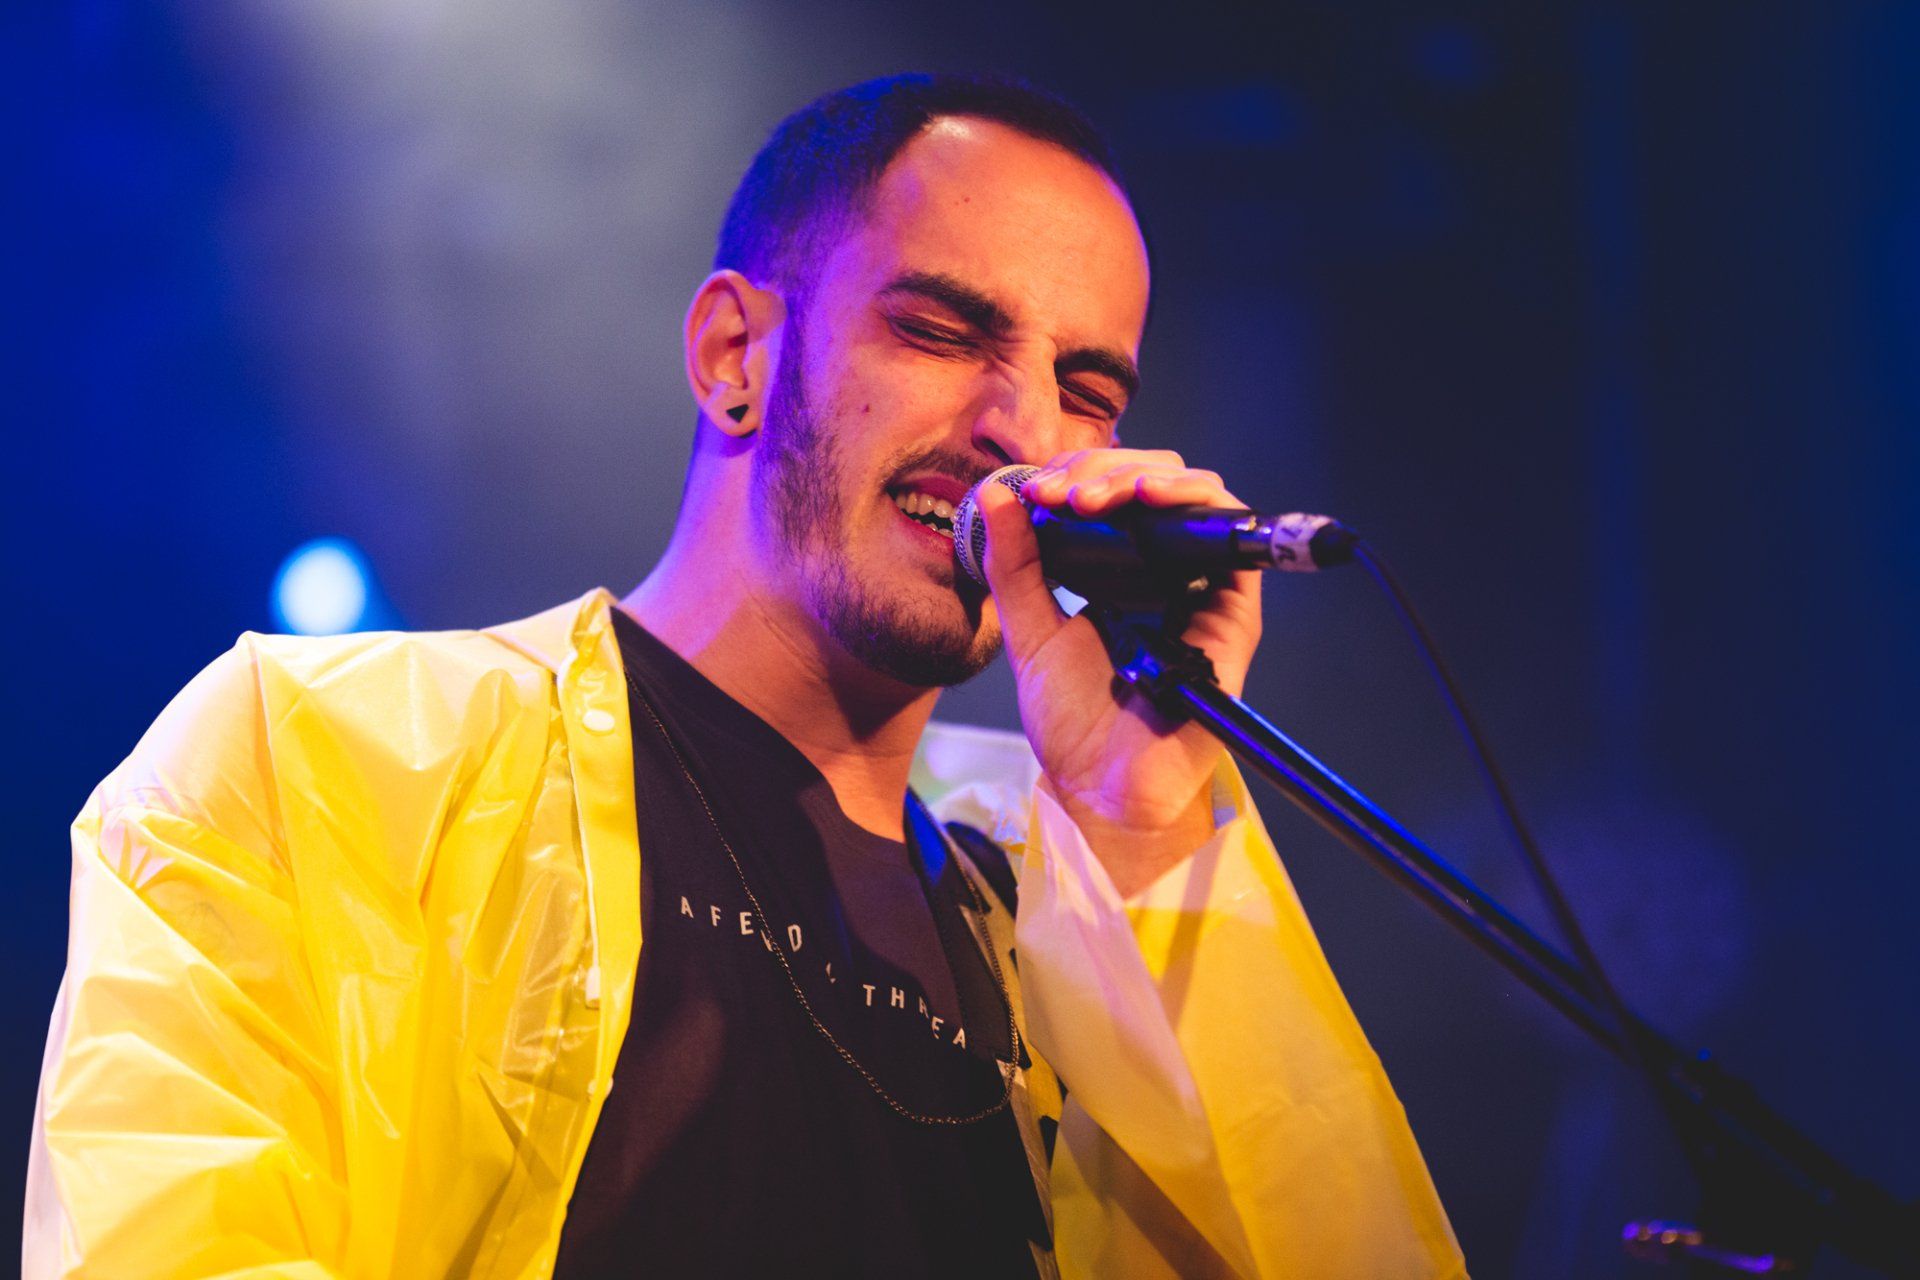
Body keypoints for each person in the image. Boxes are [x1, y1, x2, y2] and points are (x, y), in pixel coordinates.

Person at [25, 74, 1464, 1279]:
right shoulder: (334, 755)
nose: (1022, 432)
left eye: (1086, 392)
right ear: (733, 356)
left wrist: (1146, 832)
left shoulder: (1055, 906)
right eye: (940, 331)